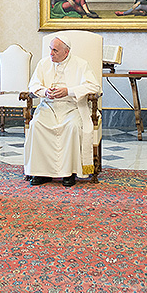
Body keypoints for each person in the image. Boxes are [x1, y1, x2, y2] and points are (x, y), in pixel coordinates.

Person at [24, 35, 100, 187]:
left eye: (55, 50)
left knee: (71, 127)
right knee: (36, 125)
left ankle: (69, 173)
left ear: (66, 52)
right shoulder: (43, 63)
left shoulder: (81, 64)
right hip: (48, 107)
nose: (51, 53)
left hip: (71, 107)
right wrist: (45, 91)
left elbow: (94, 87)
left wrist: (69, 91)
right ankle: (40, 172)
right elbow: (33, 85)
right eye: (50, 49)